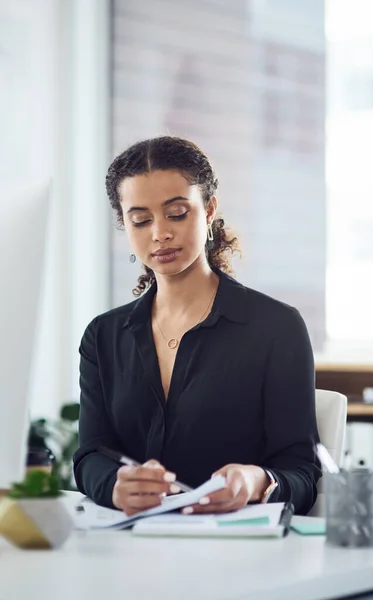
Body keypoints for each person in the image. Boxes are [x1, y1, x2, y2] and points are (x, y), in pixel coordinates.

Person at [73, 136, 321, 517]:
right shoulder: (103, 336)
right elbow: (91, 454)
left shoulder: (276, 328)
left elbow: (302, 472)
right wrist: (115, 485)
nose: (159, 233)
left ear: (208, 210)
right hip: (130, 548)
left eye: (176, 213)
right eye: (140, 220)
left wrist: (256, 480)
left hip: (238, 553)